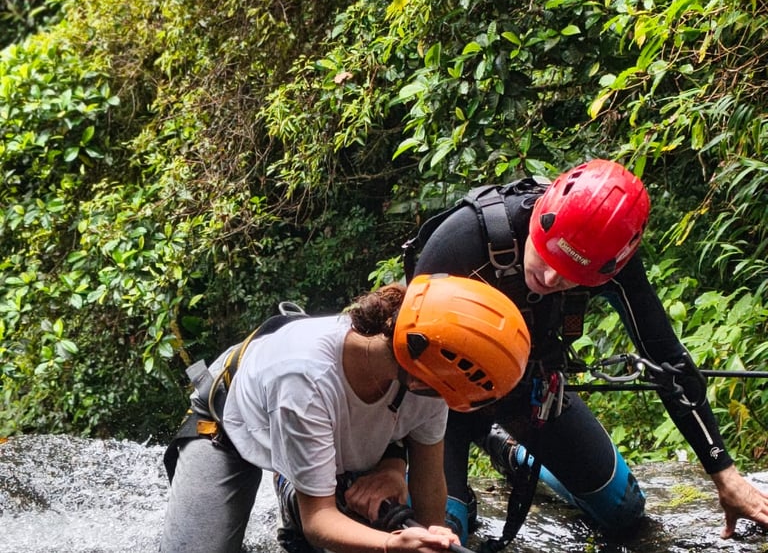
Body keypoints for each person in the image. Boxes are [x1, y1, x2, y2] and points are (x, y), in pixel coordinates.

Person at [402, 159, 768, 547]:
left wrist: (724, 474)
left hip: (530, 391)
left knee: (624, 508)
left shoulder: (610, 258)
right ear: (541, 217)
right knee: (443, 533)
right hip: (442, 405)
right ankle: (465, 480)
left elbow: (667, 361)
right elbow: (404, 355)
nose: (550, 279)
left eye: (572, 275)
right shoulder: (466, 238)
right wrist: (389, 464)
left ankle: (508, 449)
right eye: (547, 255)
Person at [160, 273, 532, 553]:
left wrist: (434, 537)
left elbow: (429, 478)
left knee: (366, 517)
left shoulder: (427, 365)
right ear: (423, 379)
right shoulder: (305, 380)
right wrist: (392, 546)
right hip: (229, 422)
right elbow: (318, 521)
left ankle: (305, 481)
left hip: (321, 411)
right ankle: (294, 486)